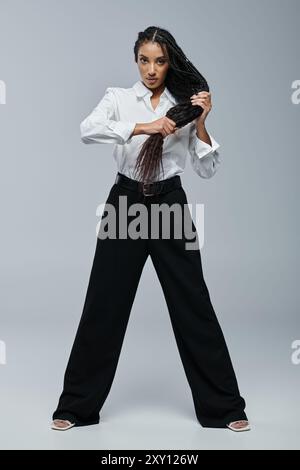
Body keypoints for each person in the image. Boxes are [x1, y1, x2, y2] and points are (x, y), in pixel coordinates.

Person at [51, 26, 250, 433]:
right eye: (145, 60)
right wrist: (146, 127)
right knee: (103, 303)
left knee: (193, 303)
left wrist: (203, 122)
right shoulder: (119, 98)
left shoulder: (186, 106)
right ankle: (76, 407)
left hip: (170, 205)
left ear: (170, 61)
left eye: (160, 60)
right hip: (125, 204)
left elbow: (208, 169)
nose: (152, 69)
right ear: (136, 60)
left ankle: (224, 408)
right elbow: (87, 129)